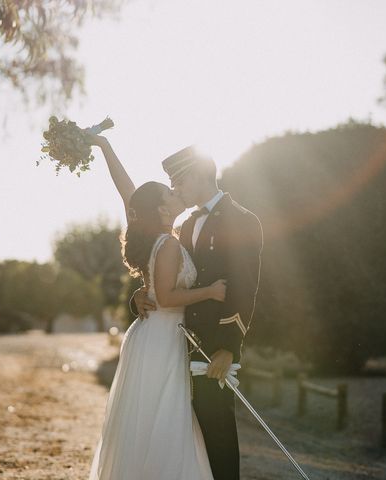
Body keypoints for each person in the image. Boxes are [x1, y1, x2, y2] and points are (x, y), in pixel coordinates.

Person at [87, 136, 225, 480]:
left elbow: (129, 195)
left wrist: (105, 146)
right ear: (162, 208)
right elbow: (165, 297)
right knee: (161, 421)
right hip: (160, 337)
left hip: (157, 336)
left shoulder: (165, 234)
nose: (175, 192)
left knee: (156, 421)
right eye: (170, 192)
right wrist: (209, 291)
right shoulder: (166, 242)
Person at [133, 145, 263, 480]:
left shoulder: (244, 220)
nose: (175, 189)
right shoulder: (186, 225)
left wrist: (230, 347)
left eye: (179, 181)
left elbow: (245, 288)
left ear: (198, 175)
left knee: (217, 435)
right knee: (188, 442)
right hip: (178, 347)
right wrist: (139, 295)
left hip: (214, 347)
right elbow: (169, 278)